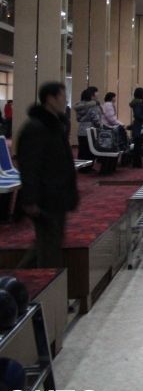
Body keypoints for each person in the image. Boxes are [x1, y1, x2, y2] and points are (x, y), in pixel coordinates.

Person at [16, 82, 79, 268]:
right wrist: (29, 200)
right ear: (50, 99)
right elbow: (29, 166)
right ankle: (47, 290)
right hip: (46, 197)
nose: (65, 100)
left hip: (58, 194)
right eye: (62, 96)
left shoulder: (55, 126)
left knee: (47, 243)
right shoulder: (35, 128)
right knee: (49, 248)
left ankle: (16, 285)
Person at [74, 86, 101, 161]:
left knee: (82, 149)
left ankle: (83, 167)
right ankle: (88, 167)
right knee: (90, 150)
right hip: (91, 129)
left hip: (81, 129)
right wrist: (99, 125)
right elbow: (95, 118)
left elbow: (78, 118)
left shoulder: (79, 106)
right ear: (91, 96)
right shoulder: (93, 105)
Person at [129, 87, 143, 168]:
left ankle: (137, 163)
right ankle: (137, 163)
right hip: (139, 125)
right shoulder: (139, 103)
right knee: (138, 145)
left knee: (138, 144)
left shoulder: (138, 103)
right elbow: (137, 115)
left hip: (139, 125)